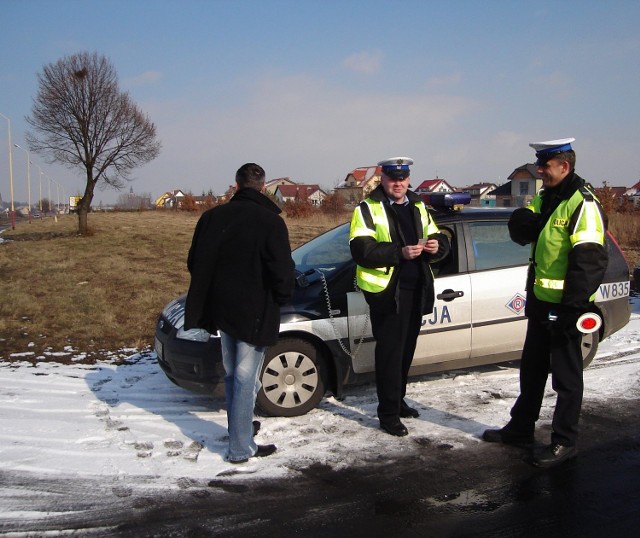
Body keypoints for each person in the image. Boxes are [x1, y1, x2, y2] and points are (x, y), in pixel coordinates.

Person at [482, 138, 608, 468]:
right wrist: (525, 221)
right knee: (532, 371)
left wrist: (572, 308)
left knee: (566, 379)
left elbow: (590, 262)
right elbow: (521, 226)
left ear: (564, 167)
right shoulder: (546, 197)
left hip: (567, 308)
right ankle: (521, 428)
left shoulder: (583, 204)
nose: (539, 170)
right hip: (540, 302)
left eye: (545, 166)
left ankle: (565, 441)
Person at [184, 163, 295, 464]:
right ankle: (240, 448)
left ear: (235, 185)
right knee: (246, 379)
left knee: (235, 375)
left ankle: (240, 432)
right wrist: (283, 299)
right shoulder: (270, 222)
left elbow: (194, 262)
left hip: (221, 311)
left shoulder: (211, 218)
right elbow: (282, 271)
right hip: (254, 312)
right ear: (262, 188)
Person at [349, 157, 450, 436]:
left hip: (416, 289)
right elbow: (362, 251)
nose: (398, 183)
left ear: (408, 179)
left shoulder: (418, 205)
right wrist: (399, 253)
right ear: (383, 179)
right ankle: (388, 414)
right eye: (393, 178)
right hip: (387, 293)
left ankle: (399, 400)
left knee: (405, 352)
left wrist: (435, 245)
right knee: (390, 355)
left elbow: (440, 239)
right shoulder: (368, 209)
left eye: (403, 178)